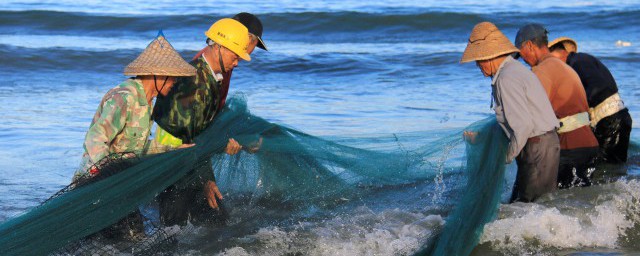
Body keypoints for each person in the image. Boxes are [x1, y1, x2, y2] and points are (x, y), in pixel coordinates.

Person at [152, 15, 266, 226]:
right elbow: (188, 138)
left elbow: (203, 129)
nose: (237, 62)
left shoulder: (212, 76)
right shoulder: (194, 83)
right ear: (219, 47)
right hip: (172, 163)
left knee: (211, 225)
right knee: (173, 231)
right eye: (236, 56)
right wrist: (206, 179)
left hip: (188, 162)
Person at [461, 22, 560, 203]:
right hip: (542, 144)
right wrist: (482, 138)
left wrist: (504, 157)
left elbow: (522, 126)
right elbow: (513, 121)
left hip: (537, 146)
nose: (477, 66)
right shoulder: (513, 70)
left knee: (531, 208)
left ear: (488, 57)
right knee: (533, 205)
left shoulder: (506, 78)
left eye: (478, 60)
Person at [75, 33, 195, 181]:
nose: (175, 82)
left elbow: (139, 147)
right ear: (158, 75)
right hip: (94, 180)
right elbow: (95, 138)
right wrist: (107, 171)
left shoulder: (148, 102)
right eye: (173, 77)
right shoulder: (124, 98)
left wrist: (173, 150)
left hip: (121, 178)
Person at [515, 24, 600, 188]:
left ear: (530, 46)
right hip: (589, 144)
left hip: (571, 147)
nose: (523, 60)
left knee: (554, 202)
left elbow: (531, 113)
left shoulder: (541, 71)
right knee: (580, 203)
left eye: (521, 54)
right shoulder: (564, 66)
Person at [548, 37, 632, 164]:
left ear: (561, 53)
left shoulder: (577, 62)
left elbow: (597, 88)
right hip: (618, 117)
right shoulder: (583, 59)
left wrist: (579, 107)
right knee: (615, 166)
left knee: (604, 167)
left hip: (610, 121)